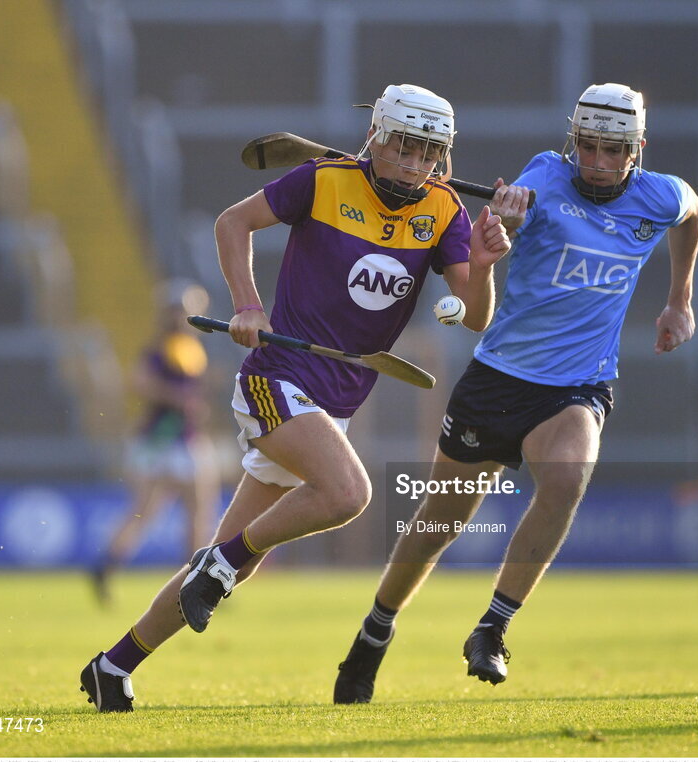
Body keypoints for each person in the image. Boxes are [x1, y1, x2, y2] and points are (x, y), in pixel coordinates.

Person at [78, 83, 513, 712]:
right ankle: (220, 566)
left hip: (334, 400)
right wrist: (249, 305)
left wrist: (486, 262)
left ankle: (112, 666)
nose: (417, 164)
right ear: (379, 138)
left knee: (231, 556)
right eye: (406, 147)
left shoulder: (446, 212)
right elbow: (235, 222)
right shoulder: (323, 181)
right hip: (276, 377)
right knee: (348, 493)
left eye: (430, 152)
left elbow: (474, 318)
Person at [333, 82, 698, 703]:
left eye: (614, 151)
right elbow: (512, 213)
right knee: (441, 521)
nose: (600, 163)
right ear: (572, 141)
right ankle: (374, 633)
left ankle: (493, 628)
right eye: (587, 147)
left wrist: (679, 299)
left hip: (580, 386)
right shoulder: (544, 176)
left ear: (637, 149)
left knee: (567, 478)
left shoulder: (660, 196)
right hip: (499, 378)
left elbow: (691, 214)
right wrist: (503, 223)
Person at [90, 281, 219, 605]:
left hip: (173, 440)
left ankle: (109, 566)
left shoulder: (187, 348)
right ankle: (195, 582)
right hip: (167, 441)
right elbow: (139, 382)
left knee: (157, 511)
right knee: (190, 509)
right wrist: (180, 399)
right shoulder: (163, 348)